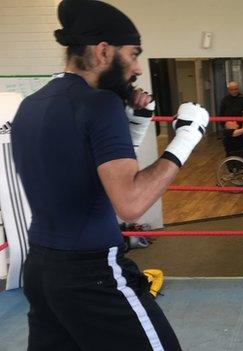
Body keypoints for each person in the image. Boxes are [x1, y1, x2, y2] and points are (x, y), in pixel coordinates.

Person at [10, 1, 208, 350]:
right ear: (103, 51)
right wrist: (188, 136)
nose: (136, 68)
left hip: (40, 269)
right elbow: (131, 203)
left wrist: (131, 126)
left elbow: (81, 172)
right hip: (91, 274)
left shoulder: (32, 104)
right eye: (133, 55)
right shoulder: (99, 104)